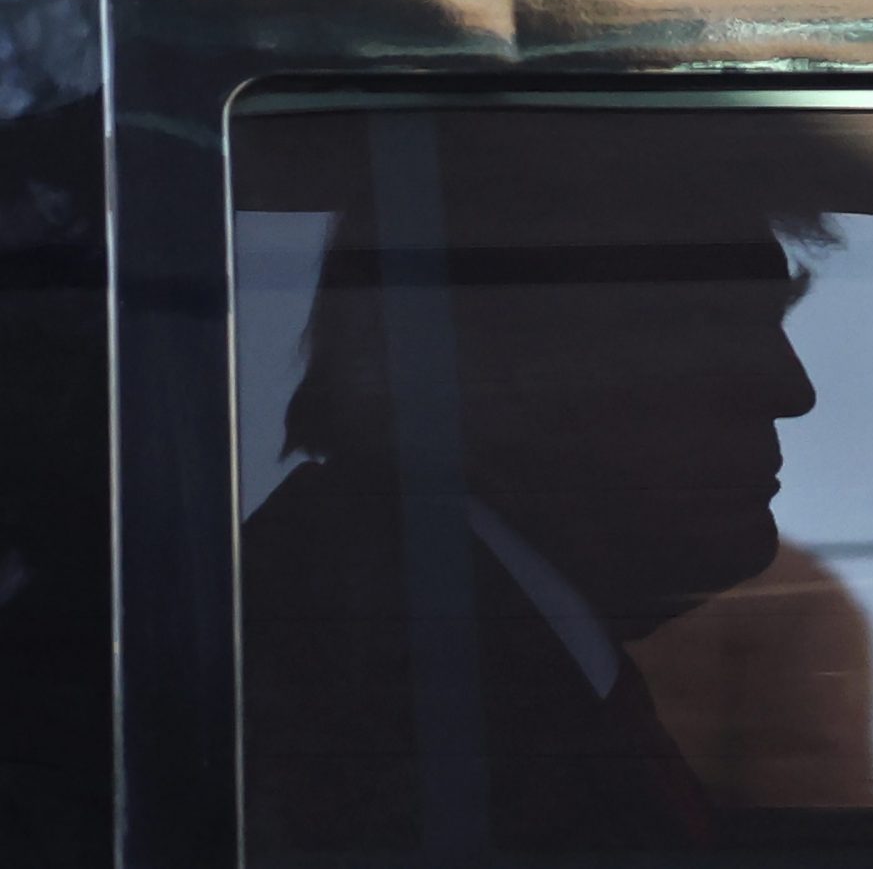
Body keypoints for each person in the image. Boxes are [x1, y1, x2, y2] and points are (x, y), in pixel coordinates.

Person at [239, 110, 837, 856]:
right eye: (717, 322)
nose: (793, 387)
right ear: (509, 360)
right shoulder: (369, 692)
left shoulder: (448, 641)